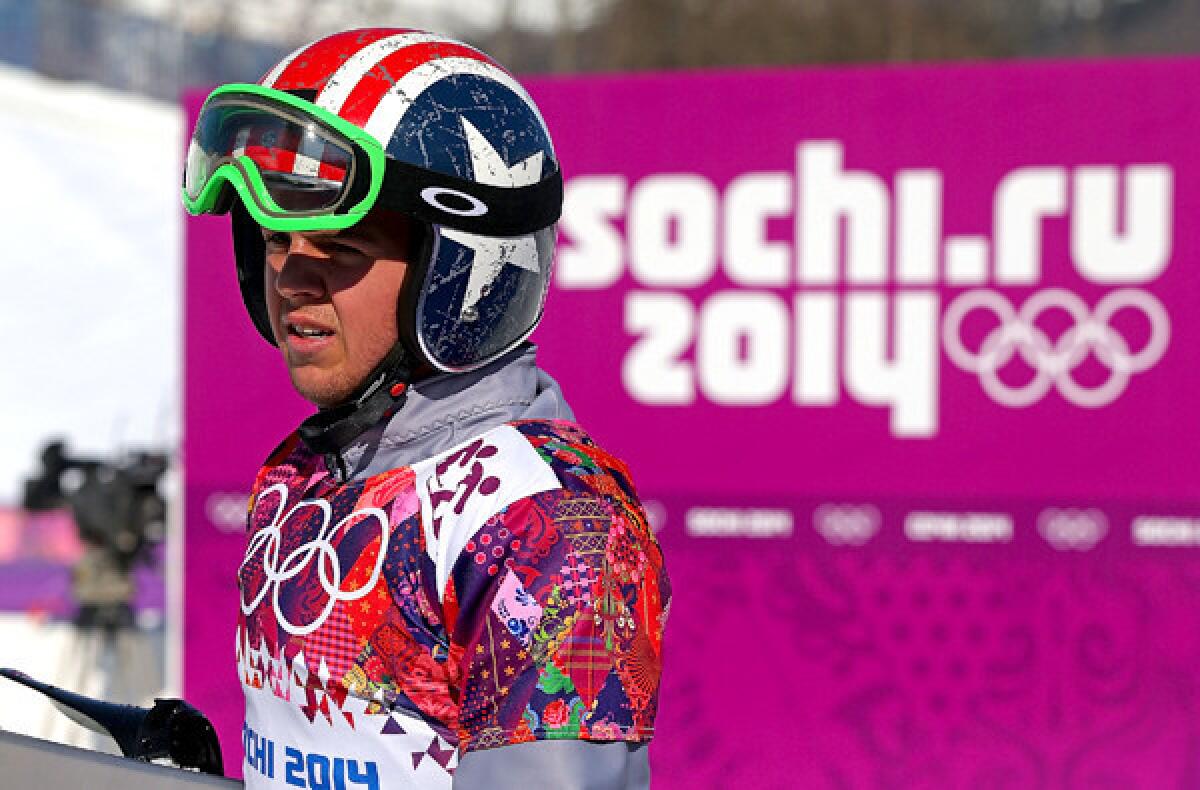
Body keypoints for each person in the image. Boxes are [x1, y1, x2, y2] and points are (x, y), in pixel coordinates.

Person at [182, 28, 670, 790]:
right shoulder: (303, 472)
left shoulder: (545, 526)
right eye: (275, 240)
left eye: (340, 246)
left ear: (462, 272)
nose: (292, 279)